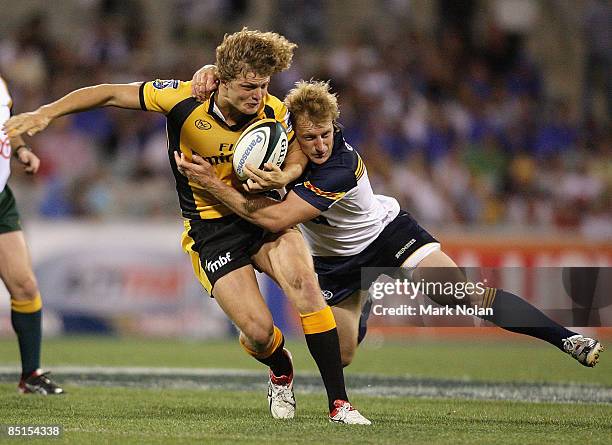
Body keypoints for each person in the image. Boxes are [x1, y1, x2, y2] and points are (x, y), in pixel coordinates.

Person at [4, 29, 370, 425]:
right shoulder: (182, 99)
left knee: (306, 287)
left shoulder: (275, 110)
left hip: (263, 216)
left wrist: (288, 174)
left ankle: (339, 405)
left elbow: (300, 143)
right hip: (212, 231)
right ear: (223, 81)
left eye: (263, 86)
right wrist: (47, 113)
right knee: (260, 332)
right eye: (248, 86)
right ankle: (280, 369)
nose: (258, 95)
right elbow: (108, 92)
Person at [175, 79, 604, 369]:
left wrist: (215, 185)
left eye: (326, 134)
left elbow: (275, 216)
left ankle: (567, 338)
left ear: (334, 128)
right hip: (331, 261)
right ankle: (365, 298)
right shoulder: (280, 143)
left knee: (456, 293)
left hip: (386, 234)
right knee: (339, 356)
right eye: (310, 137)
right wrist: (209, 74)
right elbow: (240, 98)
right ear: (292, 132)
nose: (320, 144)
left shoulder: (339, 165)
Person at [0, 75, 64, 394]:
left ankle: (31, 375)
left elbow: (6, 125)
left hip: (0, 200)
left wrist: (21, 149)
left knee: (24, 286)